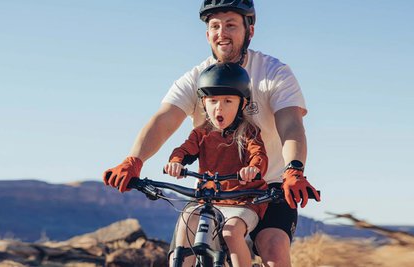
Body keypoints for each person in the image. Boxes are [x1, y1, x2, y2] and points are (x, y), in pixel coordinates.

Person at [103, 1, 320, 266]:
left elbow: (291, 125)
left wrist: (294, 168)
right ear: (207, 34)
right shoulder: (196, 78)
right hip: (214, 190)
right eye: (214, 26)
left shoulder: (273, 73)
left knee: (274, 249)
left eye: (231, 25)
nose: (221, 33)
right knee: (182, 254)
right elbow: (164, 120)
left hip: (271, 185)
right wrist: (133, 160)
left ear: (249, 30)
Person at [166, 62, 267, 267]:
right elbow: (184, 151)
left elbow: (259, 156)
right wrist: (175, 162)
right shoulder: (201, 133)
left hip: (242, 200)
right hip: (209, 199)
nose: (219, 108)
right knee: (187, 220)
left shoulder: (249, 133)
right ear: (204, 103)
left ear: (243, 104)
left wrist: (252, 169)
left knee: (231, 232)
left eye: (228, 101)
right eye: (212, 101)